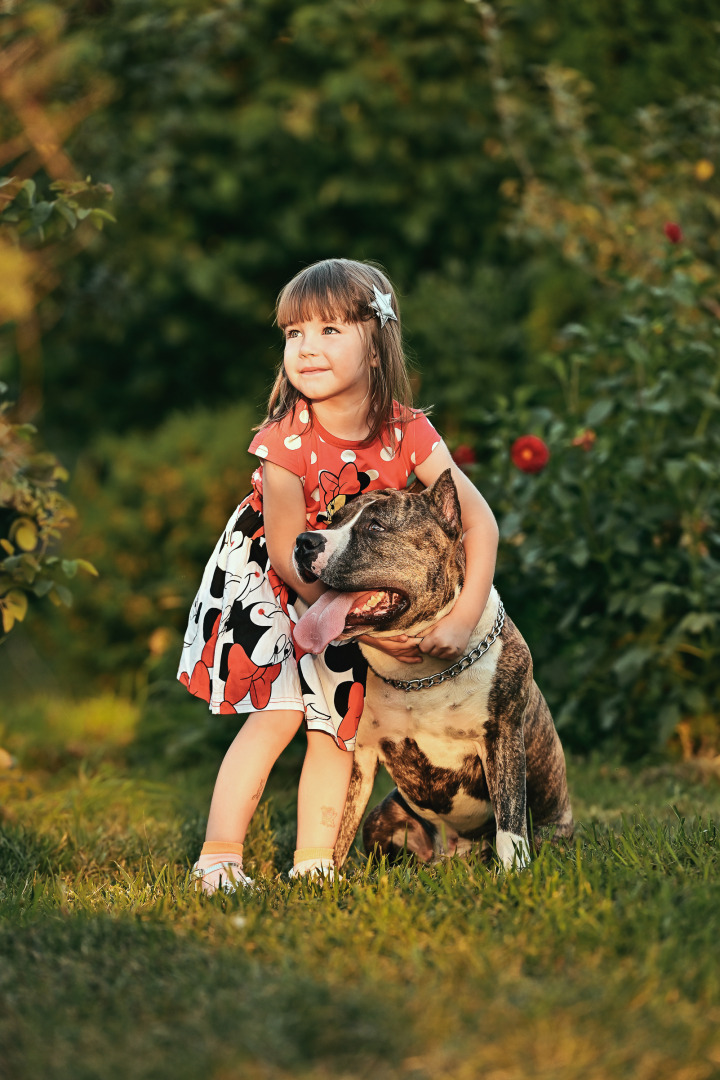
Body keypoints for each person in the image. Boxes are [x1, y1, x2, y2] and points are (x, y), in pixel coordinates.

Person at [177, 258, 499, 891]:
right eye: (295, 333)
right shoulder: (285, 443)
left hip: (348, 584)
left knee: (338, 724)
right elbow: (286, 553)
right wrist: (349, 620)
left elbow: (478, 521)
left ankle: (314, 866)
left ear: (376, 345)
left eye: (329, 330)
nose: (307, 347)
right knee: (281, 714)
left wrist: (464, 615)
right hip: (273, 580)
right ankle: (218, 857)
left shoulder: (407, 430)